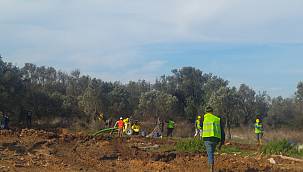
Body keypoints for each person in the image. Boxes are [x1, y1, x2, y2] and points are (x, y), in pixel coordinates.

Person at [202, 107, 225, 172]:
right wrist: (222, 142)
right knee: (211, 153)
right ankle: (211, 168)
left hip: (207, 139)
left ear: (206, 112)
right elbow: (222, 131)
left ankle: (211, 169)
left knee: (210, 153)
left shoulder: (204, 119)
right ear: (212, 112)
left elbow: (200, 127)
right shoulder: (217, 119)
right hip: (216, 139)